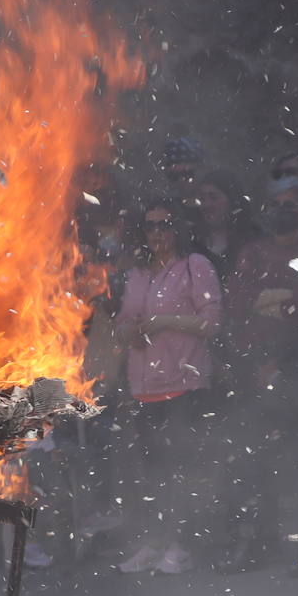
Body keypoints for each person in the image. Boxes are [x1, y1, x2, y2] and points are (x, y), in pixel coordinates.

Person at [223, 176, 298, 576]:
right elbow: (236, 302)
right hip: (254, 371)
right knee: (253, 464)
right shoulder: (253, 251)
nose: (283, 212)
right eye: (276, 204)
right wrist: (282, 299)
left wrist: (274, 303)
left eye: (291, 204)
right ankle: (259, 543)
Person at [113, 201, 223, 574]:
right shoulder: (138, 274)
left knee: (181, 467)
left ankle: (182, 543)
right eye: (150, 226)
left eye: (165, 224)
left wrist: (163, 321)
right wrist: (133, 331)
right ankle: (155, 541)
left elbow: (212, 322)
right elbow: (124, 322)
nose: (157, 232)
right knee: (152, 471)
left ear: (178, 228)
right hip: (145, 386)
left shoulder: (195, 266)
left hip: (185, 383)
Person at [193, 169, 262, 280]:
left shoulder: (254, 237)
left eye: (214, 197)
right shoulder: (193, 240)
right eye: (202, 199)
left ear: (232, 200)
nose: (206, 205)